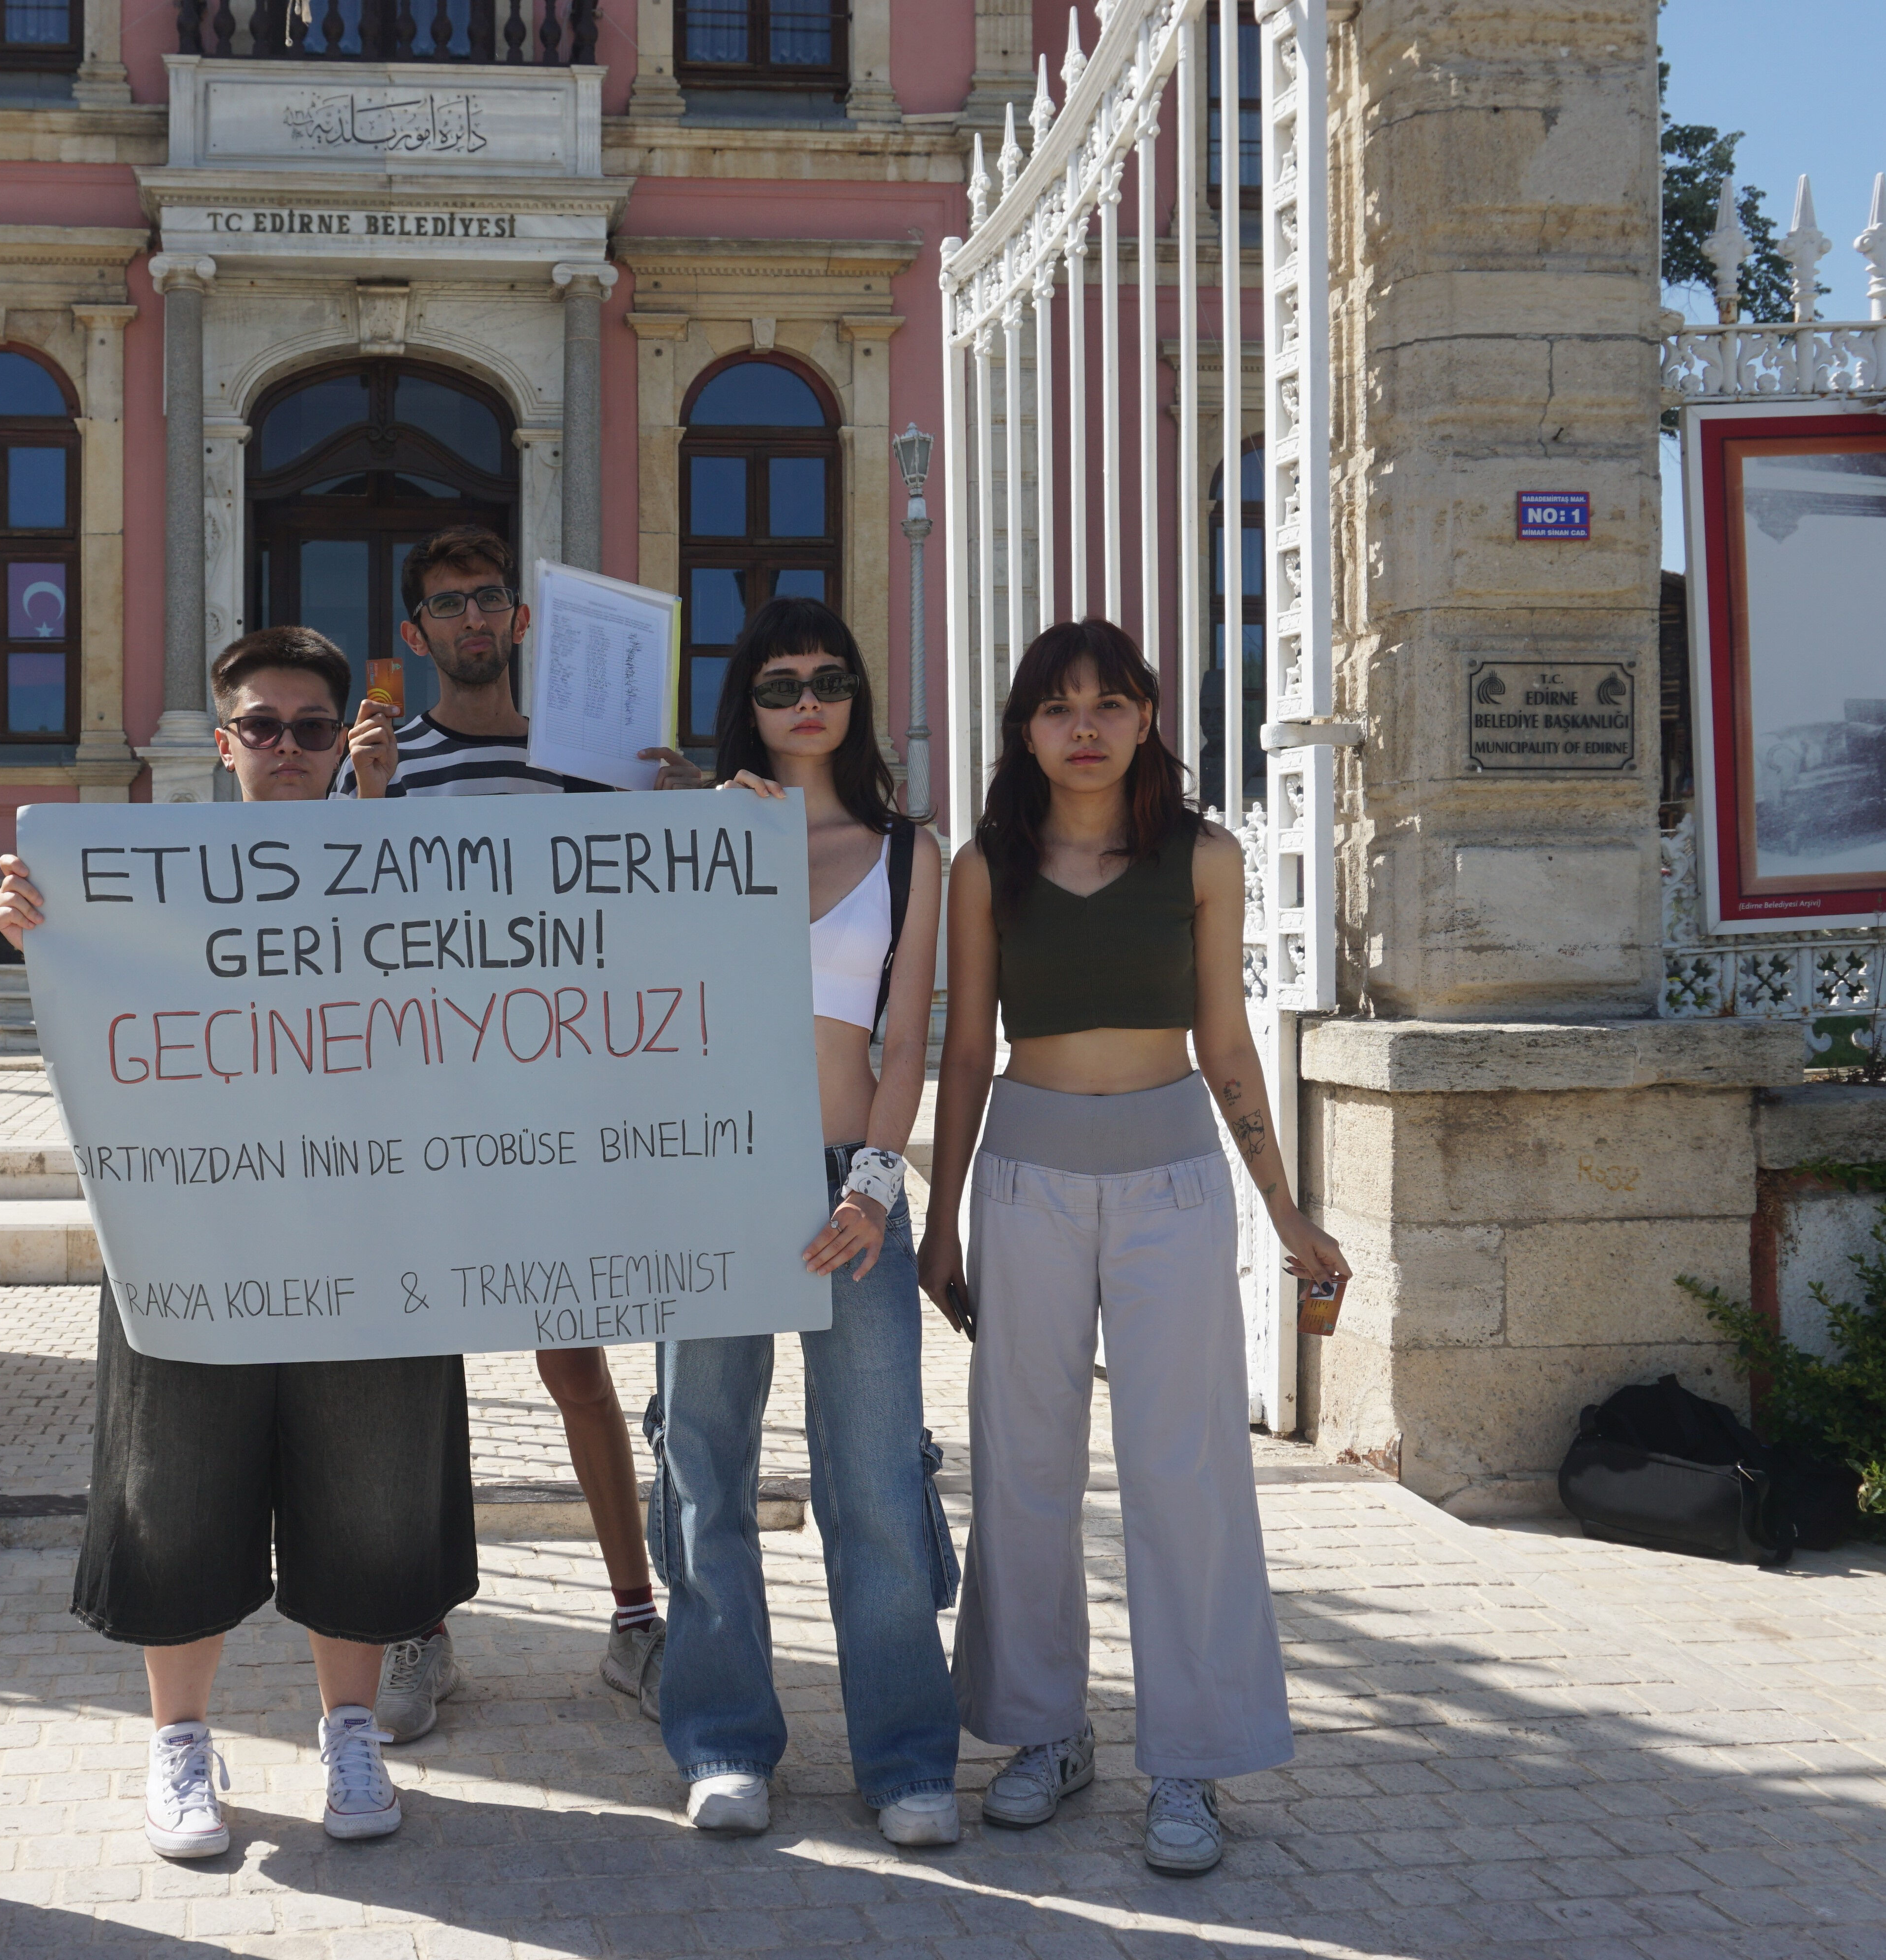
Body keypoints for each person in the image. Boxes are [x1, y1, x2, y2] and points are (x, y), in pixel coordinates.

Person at [0, 626, 469, 1862]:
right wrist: (44, 932)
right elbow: (98, 1024)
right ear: (224, 743)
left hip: (367, 1226)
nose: (291, 747)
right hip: (189, 1228)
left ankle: (349, 1728)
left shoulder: (409, 866)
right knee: (178, 1478)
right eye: (266, 726)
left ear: (346, 738)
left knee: (366, 1479)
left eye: (316, 726)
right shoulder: (147, 879)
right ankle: (182, 1741)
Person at [917, 618, 1349, 1878]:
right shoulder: (986, 865)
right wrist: (940, 1216)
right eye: (1058, 708)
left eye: (1110, 702)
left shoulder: (1203, 856)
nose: (1086, 727)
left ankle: (1192, 1761)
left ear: (1151, 714)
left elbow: (1227, 1044)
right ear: (1026, 731)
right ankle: (1043, 1731)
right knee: (1024, 1463)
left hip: (1172, 1178)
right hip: (1027, 1172)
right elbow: (959, 1052)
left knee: (1188, 1469)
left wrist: (1287, 1210)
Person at [330, 521, 703, 1741]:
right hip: (427, 1112)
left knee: (575, 1365)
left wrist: (687, 803)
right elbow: (327, 914)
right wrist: (365, 798)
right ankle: (415, 1628)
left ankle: (635, 1618)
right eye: (450, 604)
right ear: (415, 633)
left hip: (557, 1113)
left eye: (492, 598)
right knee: (411, 1383)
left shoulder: (588, 757)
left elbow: (655, 899)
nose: (475, 620)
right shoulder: (384, 760)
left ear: (523, 620)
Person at [666, 595, 963, 1847]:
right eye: (781, 681)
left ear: (856, 700)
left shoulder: (909, 849)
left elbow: (908, 1037)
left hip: (854, 1181)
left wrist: (878, 1182)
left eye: (831, 679)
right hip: (716, 1173)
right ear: (749, 697)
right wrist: (688, 838)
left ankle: (904, 1758)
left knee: (877, 1475)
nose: (807, 700)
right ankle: (725, 1738)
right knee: (705, 1463)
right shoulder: (692, 835)